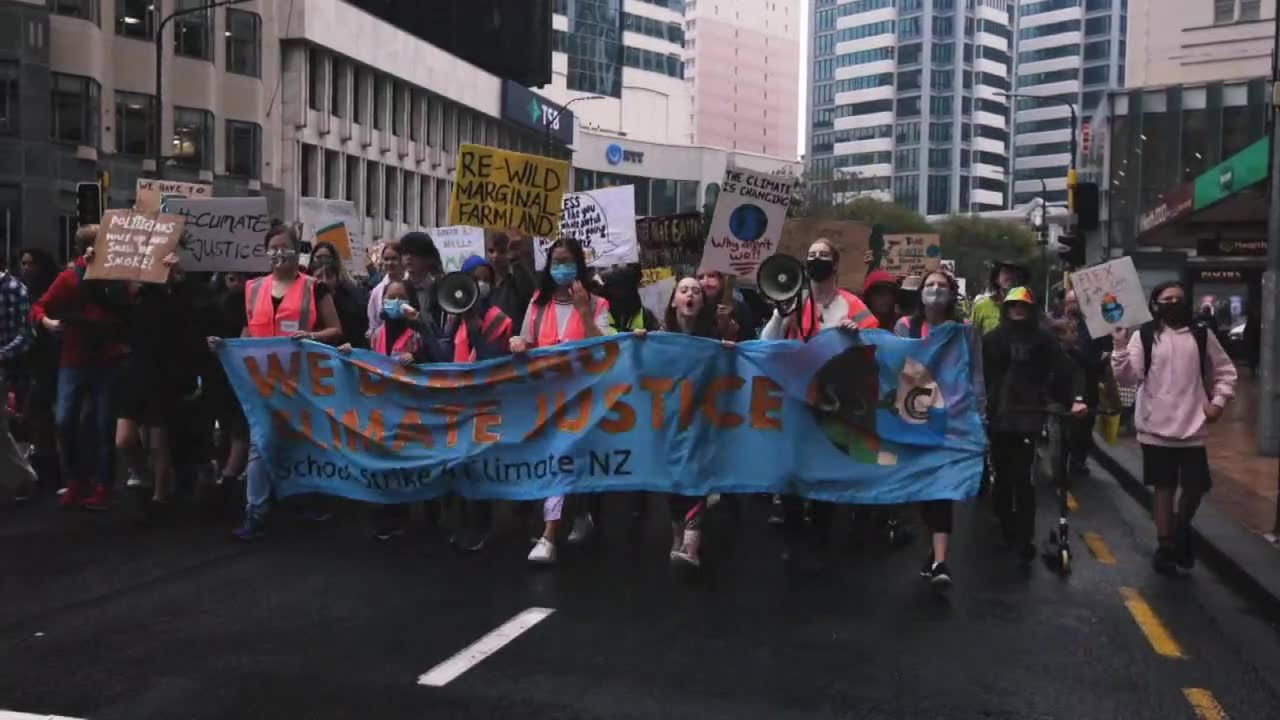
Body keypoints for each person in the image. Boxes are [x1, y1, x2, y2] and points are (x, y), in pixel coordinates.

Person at [214, 224, 345, 541]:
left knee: (301, 441)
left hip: (301, 382)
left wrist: (310, 336)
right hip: (262, 382)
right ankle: (256, 512)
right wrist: (226, 346)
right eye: (273, 247)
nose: (278, 253)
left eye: (284, 246)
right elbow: (249, 332)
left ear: (295, 248)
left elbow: (336, 329)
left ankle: (305, 498)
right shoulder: (253, 288)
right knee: (260, 443)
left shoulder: (314, 288)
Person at [762, 239, 879, 571]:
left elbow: (876, 344)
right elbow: (766, 344)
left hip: (835, 402)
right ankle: (794, 534)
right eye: (811, 255)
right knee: (791, 469)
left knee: (825, 469)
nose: (816, 260)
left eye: (823, 256)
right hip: (796, 399)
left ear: (835, 264)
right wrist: (778, 313)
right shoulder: (793, 301)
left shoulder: (852, 304)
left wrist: (857, 335)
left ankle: (819, 536)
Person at [1111, 282, 1237, 575]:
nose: (1174, 303)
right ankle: (1166, 546)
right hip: (1155, 428)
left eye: (1179, 298)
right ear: (1155, 304)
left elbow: (1225, 371)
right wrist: (1119, 346)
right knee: (1164, 488)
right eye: (1167, 299)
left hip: (1193, 428)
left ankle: (1180, 529)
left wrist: (1218, 402)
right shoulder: (1143, 335)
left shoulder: (1201, 334)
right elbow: (1128, 378)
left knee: (1196, 486)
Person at [510, 238, 611, 565]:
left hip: (583, 398)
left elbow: (606, 349)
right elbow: (525, 340)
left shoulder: (598, 305)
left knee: (564, 459)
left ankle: (549, 535)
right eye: (556, 261)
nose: (561, 267)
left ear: (579, 265)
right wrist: (517, 343)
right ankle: (571, 518)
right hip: (545, 398)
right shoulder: (538, 304)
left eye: (567, 261)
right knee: (557, 461)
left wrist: (584, 312)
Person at [31, 225, 131, 510]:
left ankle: (103, 484)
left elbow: (128, 309)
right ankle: (76, 480)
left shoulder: (113, 277)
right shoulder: (69, 278)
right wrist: (49, 324)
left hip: (106, 359)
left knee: (102, 425)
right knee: (64, 421)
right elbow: (39, 307)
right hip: (74, 359)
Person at [894, 270, 984, 588]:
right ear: (920, 293)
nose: (935, 290)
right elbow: (895, 367)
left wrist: (979, 414)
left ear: (952, 294)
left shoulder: (965, 332)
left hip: (954, 419)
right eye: (930, 285)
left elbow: (975, 374)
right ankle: (933, 547)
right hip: (915, 419)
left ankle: (940, 560)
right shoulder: (905, 327)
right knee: (923, 487)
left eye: (942, 286)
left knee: (943, 488)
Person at [983, 286, 1085, 564]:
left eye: (1023, 305)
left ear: (1030, 309)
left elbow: (1066, 369)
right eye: (1013, 305)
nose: (1018, 309)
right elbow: (979, 376)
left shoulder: (1043, 340)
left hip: (1029, 416)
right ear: (1006, 308)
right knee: (1003, 478)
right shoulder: (991, 339)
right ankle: (1006, 530)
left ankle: (1025, 536)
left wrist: (1076, 399)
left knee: (1023, 479)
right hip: (998, 418)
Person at [114, 254, 199, 516]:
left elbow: (190, 318)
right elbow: (107, 305)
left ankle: (159, 499)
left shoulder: (175, 300)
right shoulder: (134, 301)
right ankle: (143, 475)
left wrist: (179, 281)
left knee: (159, 443)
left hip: (164, 376)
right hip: (136, 374)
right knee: (124, 440)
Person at [661, 276, 734, 568]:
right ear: (674, 300)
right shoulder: (660, 336)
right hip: (670, 419)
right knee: (673, 479)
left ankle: (691, 542)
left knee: (698, 473)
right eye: (684, 290)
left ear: (703, 303)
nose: (690, 294)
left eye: (696, 291)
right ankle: (678, 535)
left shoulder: (714, 338)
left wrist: (730, 346)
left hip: (704, 419)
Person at [16, 248, 61, 493]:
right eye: (23, 263)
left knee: (47, 418)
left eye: (30, 263)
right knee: (36, 419)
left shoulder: (50, 291)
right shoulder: (23, 291)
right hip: (30, 361)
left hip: (49, 360)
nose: (25, 268)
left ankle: (51, 472)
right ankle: (46, 471)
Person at [1058, 289, 1111, 475]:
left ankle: (1078, 461)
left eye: (1076, 301)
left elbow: (1104, 355)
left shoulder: (1096, 327)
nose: (1073, 305)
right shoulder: (1055, 324)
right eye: (1070, 301)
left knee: (1083, 429)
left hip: (1087, 385)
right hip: (1060, 386)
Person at [0, 256, 36, 503]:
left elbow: (26, 333)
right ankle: (21, 478)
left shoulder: (15, 289)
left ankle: (22, 477)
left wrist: (1, 354)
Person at [486, 231, 536, 331]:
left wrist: (516, 259)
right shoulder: (486, 280)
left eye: (502, 251)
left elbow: (530, 293)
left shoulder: (518, 277)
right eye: (491, 251)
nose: (495, 256)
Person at [315, 264, 369, 349]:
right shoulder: (307, 302)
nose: (324, 281)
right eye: (319, 276)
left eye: (329, 276)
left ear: (337, 279)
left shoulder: (350, 306)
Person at [696, 269, 757, 341]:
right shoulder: (694, 307)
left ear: (722, 280)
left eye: (711, 276)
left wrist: (732, 330)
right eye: (700, 277)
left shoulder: (741, 308)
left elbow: (751, 342)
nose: (705, 282)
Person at [970, 260, 1029, 335]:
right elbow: (973, 337)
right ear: (996, 278)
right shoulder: (982, 305)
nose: (1010, 276)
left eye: (1014, 273)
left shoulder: (1027, 305)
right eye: (1006, 272)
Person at [602, 265, 660, 333]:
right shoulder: (603, 315)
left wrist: (644, 336)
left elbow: (657, 340)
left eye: (615, 287)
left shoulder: (645, 315)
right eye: (609, 287)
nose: (611, 292)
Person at [366, 241, 404, 339]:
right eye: (386, 259)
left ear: (402, 260)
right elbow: (373, 324)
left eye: (394, 258)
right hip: (383, 346)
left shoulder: (411, 286)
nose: (389, 263)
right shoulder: (377, 291)